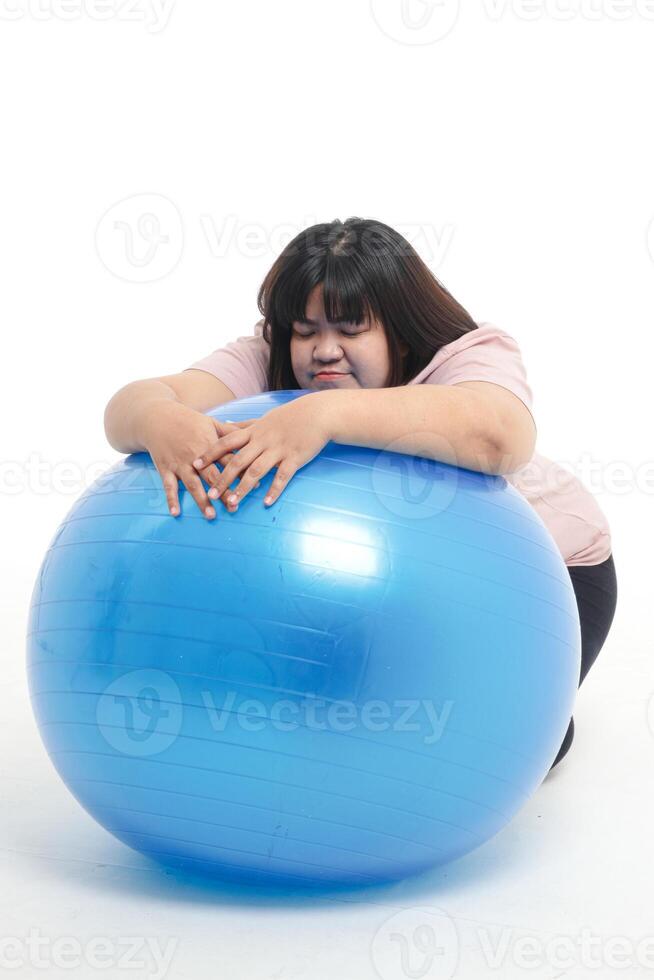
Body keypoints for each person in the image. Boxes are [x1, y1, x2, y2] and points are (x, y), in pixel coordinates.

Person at [104, 217, 618, 770]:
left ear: (397, 329)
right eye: (306, 331)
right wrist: (159, 418)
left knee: (512, 742)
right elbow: (130, 407)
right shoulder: (265, 357)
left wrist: (324, 415)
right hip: (370, 576)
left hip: (552, 573)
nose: (324, 351)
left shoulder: (467, 356)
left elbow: (502, 435)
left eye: (350, 330)